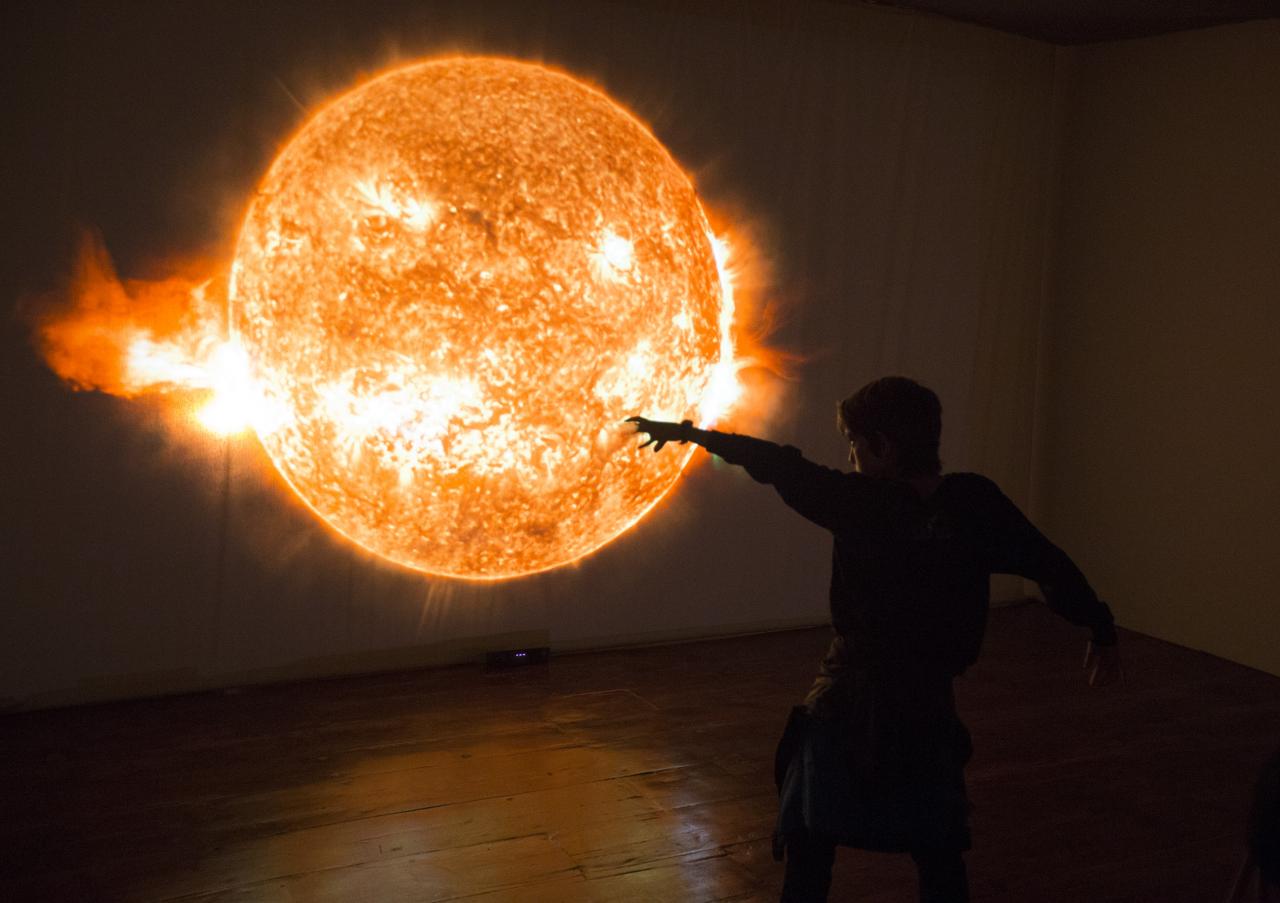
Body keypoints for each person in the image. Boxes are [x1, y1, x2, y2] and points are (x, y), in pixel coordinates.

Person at [628, 376, 1121, 903]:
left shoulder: (862, 503)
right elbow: (1047, 563)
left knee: (811, 840)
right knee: (937, 849)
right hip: (927, 706)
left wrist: (692, 435)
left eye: (856, 445)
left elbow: (776, 464)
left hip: (848, 701)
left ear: (882, 446)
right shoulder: (974, 504)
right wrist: (1099, 624)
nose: (852, 457)